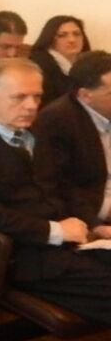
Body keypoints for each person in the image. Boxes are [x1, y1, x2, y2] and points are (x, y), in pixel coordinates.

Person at [0, 58, 111, 326]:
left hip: (69, 238)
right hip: (18, 252)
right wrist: (54, 230)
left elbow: (62, 184)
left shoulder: (37, 128)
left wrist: (95, 224)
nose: (31, 106)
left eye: (37, 96)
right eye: (19, 97)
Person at [34, 51, 111, 228]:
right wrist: (100, 216)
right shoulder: (57, 121)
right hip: (90, 214)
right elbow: (62, 186)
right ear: (85, 95)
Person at [29, 15, 91, 104]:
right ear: (49, 38)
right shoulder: (40, 66)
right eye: (62, 35)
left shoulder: (89, 63)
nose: (72, 40)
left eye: (76, 34)